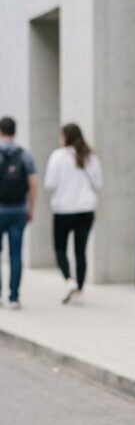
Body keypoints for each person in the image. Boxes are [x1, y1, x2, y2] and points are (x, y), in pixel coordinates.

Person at [44, 123, 103, 304]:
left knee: (60, 249)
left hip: (63, 209)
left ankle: (69, 280)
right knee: (80, 251)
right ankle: (80, 290)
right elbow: (98, 183)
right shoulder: (90, 156)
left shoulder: (58, 156)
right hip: (86, 209)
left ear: (65, 137)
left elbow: (49, 184)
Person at [0, 116, 38, 309]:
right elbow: (33, 185)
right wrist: (30, 209)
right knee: (16, 254)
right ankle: (14, 297)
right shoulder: (25, 155)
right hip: (18, 210)